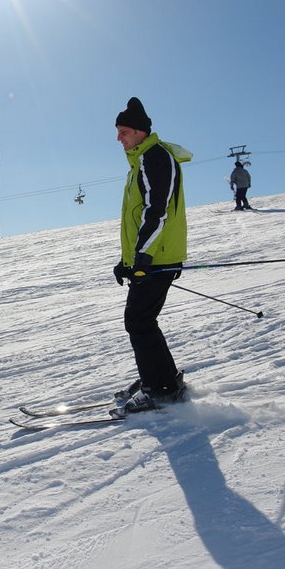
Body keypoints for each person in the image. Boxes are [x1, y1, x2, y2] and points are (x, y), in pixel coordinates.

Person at [111, 97, 192, 414]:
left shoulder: (154, 158)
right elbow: (137, 217)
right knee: (143, 320)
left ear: (141, 132)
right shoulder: (140, 161)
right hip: (150, 257)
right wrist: (128, 261)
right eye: (118, 131)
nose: (119, 138)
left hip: (157, 258)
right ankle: (162, 379)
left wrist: (142, 257)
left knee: (138, 320)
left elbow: (156, 213)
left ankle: (160, 388)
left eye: (124, 131)